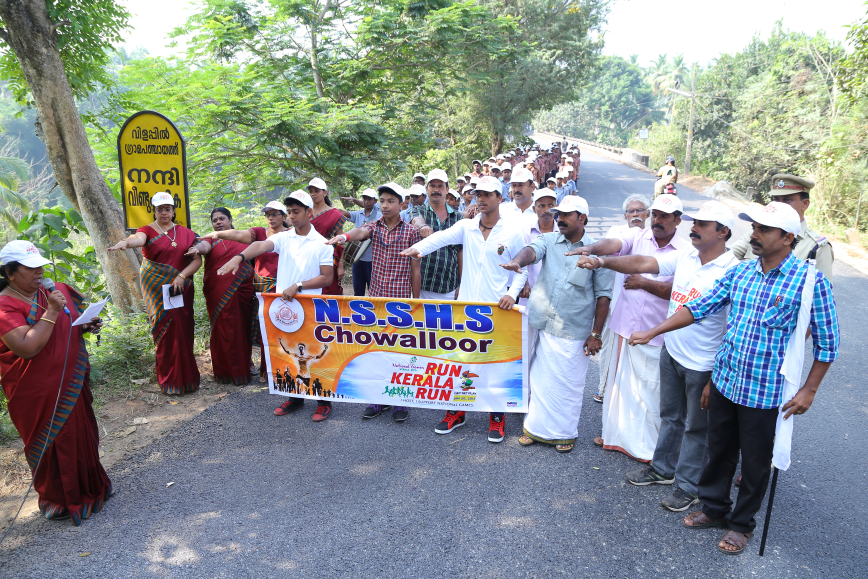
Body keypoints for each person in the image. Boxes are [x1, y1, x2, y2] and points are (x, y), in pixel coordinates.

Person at [629, 202, 839, 555]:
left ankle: (741, 525)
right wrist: (655, 331)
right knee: (720, 451)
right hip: (726, 380)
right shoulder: (740, 273)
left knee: (755, 462)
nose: (753, 235)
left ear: (788, 238)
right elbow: (699, 307)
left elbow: (828, 342)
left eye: (763, 230)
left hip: (765, 390)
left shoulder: (809, 281)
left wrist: (809, 389)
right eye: (753, 227)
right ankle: (713, 509)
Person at [579, 200, 739, 512]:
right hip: (673, 351)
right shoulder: (687, 256)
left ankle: (689, 486)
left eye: (702, 224)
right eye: (694, 222)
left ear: (723, 232)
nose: (694, 228)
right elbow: (643, 263)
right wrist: (600, 261)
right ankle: (663, 469)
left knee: (697, 427)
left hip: (704, 362)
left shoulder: (733, 271)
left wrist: (717, 371)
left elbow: (723, 322)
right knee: (670, 416)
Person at [402, 176, 527, 443]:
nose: (481, 199)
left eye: (487, 194)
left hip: (497, 311)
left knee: (495, 366)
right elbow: (440, 238)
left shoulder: (513, 232)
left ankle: (497, 417)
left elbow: (522, 270)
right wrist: (417, 249)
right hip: (467, 311)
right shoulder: (466, 226)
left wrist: (511, 294)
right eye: (478, 194)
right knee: (461, 363)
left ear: (500, 198)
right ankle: (456, 413)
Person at [567, 194, 688, 461]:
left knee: (651, 391)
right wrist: (592, 249)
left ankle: (648, 448)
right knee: (619, 387)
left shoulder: (686, 251)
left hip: (656, 331)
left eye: (665, 216)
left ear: (678, 220)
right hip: (625, 325)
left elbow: (675, 291)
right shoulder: (638, 236)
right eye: (655, 215)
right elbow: (614, 244)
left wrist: (644, 283)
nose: (657, 220)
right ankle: (615, 437)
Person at [0, 241, 111, 525]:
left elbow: (66, 327)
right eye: (31, 268)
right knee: (52, 443)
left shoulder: (53, 291)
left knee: (81, 434)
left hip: (70, 383)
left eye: (40, 267)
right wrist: (51, 311)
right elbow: (27, 347)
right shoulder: (5, 305)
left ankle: (92, 487)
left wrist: (85, 325)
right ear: (10, 273)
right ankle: (59, 500)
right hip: (36, 392)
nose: (39, 273)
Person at [501, 196, 614, 453]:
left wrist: (596, 334)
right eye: (558, 214)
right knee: (539, 379)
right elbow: (532, 251)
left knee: (567, 384)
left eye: (566, 215)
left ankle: (564, 434)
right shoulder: (549, 240)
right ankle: (534, 429)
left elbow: (603, 296)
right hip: (542, 321)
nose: (559, 219)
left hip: (573, 328)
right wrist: (518, 262)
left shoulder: (598, 251)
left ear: (582, 218)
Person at [217, 190, 335, 422]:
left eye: (296, 211)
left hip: (310, 308)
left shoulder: (322, 243)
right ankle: (295, 398)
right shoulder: (284, 238)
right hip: (285, 309)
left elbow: (326, 278)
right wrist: (239, 258)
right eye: (289, 212)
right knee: (289, 353)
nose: (291, 216)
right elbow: (261, 245)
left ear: (309, 212)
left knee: (314, 354)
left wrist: (299, 285)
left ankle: (323, 402)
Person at [327, 182, 421, 422]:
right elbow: (360, 233)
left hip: (401, 303)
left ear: (402, 204)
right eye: (382, 201)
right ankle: (378, 398)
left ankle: (401, 402)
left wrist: (416, 302)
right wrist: (344, 236)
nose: (385, 205)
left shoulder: (411, 232)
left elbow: (415, 270)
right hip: (376, 302)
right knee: (377, 350)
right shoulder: (374, 227)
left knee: (400, 353)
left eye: (391, 201)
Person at [108, 192, 201, 395]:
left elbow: (197, 260)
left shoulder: (186, 233)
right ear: (155, 211)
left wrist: (182, 276)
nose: (164, 212)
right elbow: (137, 238)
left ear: (173, 211)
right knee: (165, 331)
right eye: (160, 209)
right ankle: (170, 381)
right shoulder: (147, 231)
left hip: (181, 288)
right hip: (157, 290)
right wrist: (126, 242)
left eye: (167, 209)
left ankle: (189, 380)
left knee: (184, 329)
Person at [197, 200, 288, 383]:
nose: (271, 218)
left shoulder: (291, 234)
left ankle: (284, 371)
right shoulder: (257, 233)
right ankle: (264, 371)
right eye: (215, 220)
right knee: (264, 330)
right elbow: (209, 245)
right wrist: (209, 240)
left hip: (279, 286)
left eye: (222, 218)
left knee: (284, 327)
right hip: (255, 289)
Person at [185, 208, 255, 385]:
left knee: (242, 328)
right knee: (223, 328)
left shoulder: (243, 237)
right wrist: (196, 249)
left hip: (244, 290)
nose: (218, 222)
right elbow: (204, 246)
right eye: (214, 220)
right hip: (218, 290)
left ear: (230, 220)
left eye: (222, 218)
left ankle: (244, 367)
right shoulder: (211, 240)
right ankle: (224, 372)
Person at [593, 194, 649, 403]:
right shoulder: (617, 233)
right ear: (625, 215)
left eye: (639, 210)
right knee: (609, 349)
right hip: (615, 303)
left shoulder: (652, 237)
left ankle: (630, 394)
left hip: (643, 309)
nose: (635, 214)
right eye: (631, 211)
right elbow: (610, 250)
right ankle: (604, 389)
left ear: (647, 214)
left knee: (637, 352)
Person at [729, 174, 834, 282]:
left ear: (805, 204)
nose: (780, 205)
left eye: (787, 200)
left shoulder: (816, 247)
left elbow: (822, 288)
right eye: (776, 200)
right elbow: (724, 259)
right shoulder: (755, 235)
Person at [409, 169, 463, 300]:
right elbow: (416, 220)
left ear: (447, 189)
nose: (436, 190)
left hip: (449, 287)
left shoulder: (458, 218)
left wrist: (462, 284)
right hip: (421, 287)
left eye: (440, 186)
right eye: (432, 186)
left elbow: (460, 252)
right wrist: (423, 226)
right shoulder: (418, 210)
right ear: (426, 189)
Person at [337, 188, 381, 297]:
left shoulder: (380, 216)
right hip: (357, 258)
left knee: (373, 291)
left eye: (369, 199)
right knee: (358, 290)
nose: (366, 201)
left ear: (375, 201)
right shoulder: (358, 214)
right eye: (365, 198)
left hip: (373, 259)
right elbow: (343, 213)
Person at [308, 178, 347, 295]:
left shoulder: (334, 214)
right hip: (307, 256)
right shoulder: (305, 212)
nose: (313, 194)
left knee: (329, 290)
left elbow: (340, 242)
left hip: (327, 258)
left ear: (325, 192)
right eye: (311, 191)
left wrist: (341, 265)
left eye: (316, 191)